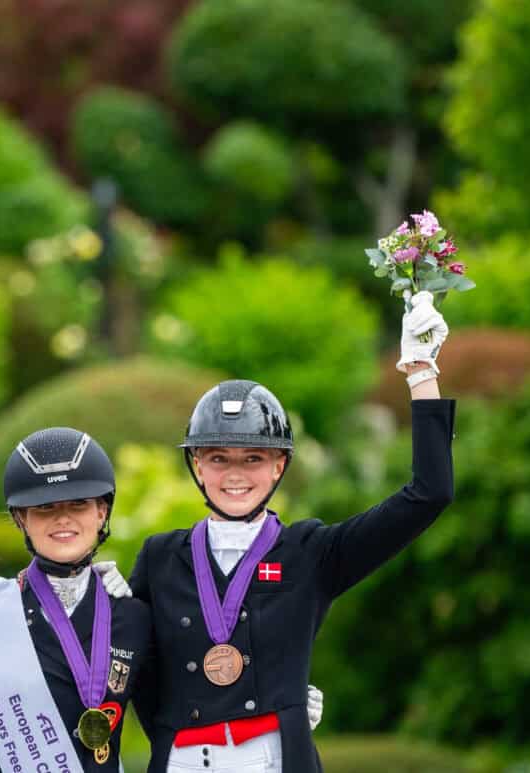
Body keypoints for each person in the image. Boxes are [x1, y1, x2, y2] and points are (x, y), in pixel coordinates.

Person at [129, 291, 455, 772]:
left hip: (274, 759)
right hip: (183, 761)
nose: (235, 474)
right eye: (218, 458)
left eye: (253, 458)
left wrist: (421, 371)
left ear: (279, 464)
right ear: (197, 465)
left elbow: (429, 494)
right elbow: (123, 668)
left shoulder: (311, 552)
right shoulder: (159, 557)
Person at [0, 428, 327, 771]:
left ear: (102, 512)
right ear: (20, 519)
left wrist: (285, 701)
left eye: (78, 504)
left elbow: (183, 691)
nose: (62, 519)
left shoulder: (132, 616)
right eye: (45, 508)